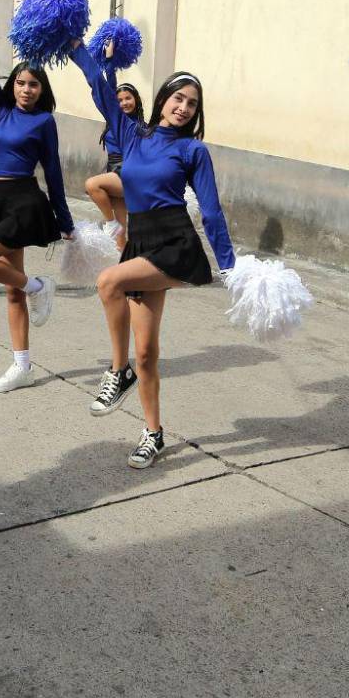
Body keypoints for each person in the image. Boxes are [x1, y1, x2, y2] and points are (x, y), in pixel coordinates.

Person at [70, 41, 234, 469]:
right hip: (141, 241)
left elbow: (211, 211)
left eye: (192, 104)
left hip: (175, 242)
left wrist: (230, 266)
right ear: (162, 100)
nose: (184, 108)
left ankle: (117, 370)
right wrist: (78, 47)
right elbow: (99, 88)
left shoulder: (193, 151)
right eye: (179, 98)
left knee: (108, 281)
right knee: (146, 352)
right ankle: (153, 433)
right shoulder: (132, 135)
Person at [0, 39, 73, 393]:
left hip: (25, 200)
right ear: (13, 85)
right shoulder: (0, 108)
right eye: (21, 83)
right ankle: (22, 366)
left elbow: (52, 170)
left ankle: (39, 286)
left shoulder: (43, 121)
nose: (26, 89)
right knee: (13, 290)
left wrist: (65, 220)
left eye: (34, 84)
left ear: (42, 89)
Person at [84, 74, 144, 249]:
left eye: (128, 98)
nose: (124, 103)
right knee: (120, 236)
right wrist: (110, 66)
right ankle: (123, 259)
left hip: (127, 174)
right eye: (120, 100)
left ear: (136, 100)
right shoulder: (113, 120)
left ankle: (110, 223)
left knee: (92, 185)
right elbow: (106, 91)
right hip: (113, 171)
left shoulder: (139, 126)